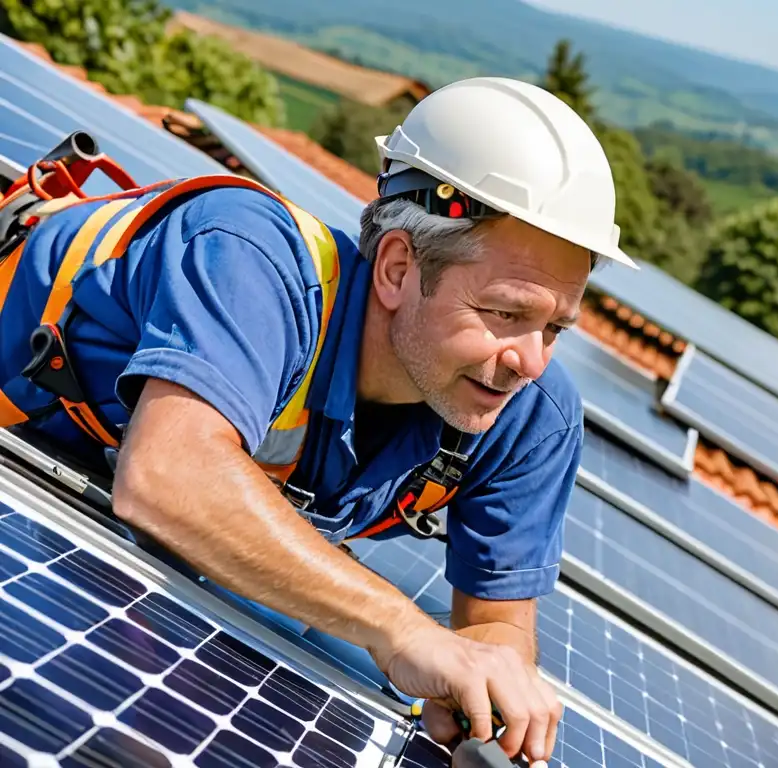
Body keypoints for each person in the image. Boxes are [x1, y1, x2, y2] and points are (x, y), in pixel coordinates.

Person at [0, 76, 636, 764]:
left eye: (556, 327)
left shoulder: (528, 415)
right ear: (396, 267)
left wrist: (485, 695)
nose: (531, 361)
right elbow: (167, 476)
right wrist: (402, 628)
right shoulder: (249, 257)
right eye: (505, 313)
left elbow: (495, 625)